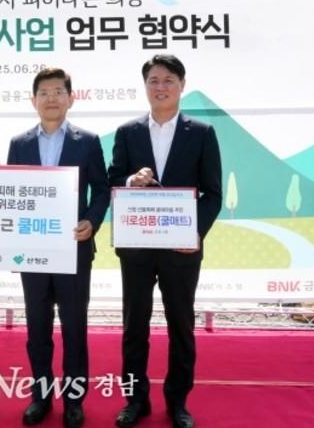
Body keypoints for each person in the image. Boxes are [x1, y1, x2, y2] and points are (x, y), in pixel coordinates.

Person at [108, 54, 222, 428]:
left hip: (181, 249)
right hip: (137, 248)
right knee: (134, 326)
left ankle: (177, 402)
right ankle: (135, 399)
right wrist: (131, 182)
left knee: (181, 326)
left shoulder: (202, 133)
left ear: (182, 85)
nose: (161, 87)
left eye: (168, 80)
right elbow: (113, 181)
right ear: (145, 86)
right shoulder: (128, 132)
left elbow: (213, 194)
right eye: (153, 80)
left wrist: (195, 233)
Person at [7, 68, 109, 428]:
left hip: (73, 250)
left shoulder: (88, 141)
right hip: (34, 252)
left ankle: (74, 400)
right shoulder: (19, 144)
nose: (51, 98)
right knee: (37, 329)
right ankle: (40, 396)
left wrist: (91, 222)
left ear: (70, 98)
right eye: (44, 92)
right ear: (33, 100)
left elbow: (102, 189)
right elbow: (11, 194)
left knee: (74, 329)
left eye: (58, 91)